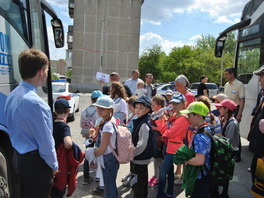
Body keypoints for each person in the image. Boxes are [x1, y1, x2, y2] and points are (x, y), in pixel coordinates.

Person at [4, 48, 58, 198]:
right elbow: (46, 143)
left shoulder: (12, 95)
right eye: (47, 69)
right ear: (41, 71)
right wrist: (54, 166)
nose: (47, 73)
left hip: (19, 159)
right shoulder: (37, 104)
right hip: (37, 164)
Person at [155, 93, 189, 198]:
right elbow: (168, 129)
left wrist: (160, 121)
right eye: (173, 103)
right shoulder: (176, 115)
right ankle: (169, 193)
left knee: (162, 173)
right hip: (170, 146)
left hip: (174, 148)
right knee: (169, 173)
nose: (174, 106)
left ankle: (160, 195)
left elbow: (169, 133)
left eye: (177, 103)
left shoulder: (183, 118)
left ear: (184, 104)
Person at [180, 102, 212, 198]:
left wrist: (185, 160)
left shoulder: (200, 136)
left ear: (198, 115)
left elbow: (199, 160)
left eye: (189, 115)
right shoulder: (207, 129)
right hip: (207, 175)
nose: (187, 118)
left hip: (200, 178)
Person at [90, 96, 120, 198]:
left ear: (110, 109)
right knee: (110, 186)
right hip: (111, 158)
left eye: (102, 108)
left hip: (108, 159)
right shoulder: (111, 120)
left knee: (109, 189)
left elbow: (102, 149)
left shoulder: (107, 125)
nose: (99, 111)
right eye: (98, 108)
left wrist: (91, 155)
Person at [214, 99, 240, 197]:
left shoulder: (233, 123)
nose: (219, 110)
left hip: (229, 151)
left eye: (221, 108)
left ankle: (224, 194)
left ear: (227, 109)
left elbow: (227, 141)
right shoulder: (225, 120)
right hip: (225, 150)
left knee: (225, 173)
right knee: (222, 172)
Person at [131, 96, 153, 198]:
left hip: (139, 159)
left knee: (138, 185)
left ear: (148, 109)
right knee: (142, 183)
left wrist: (131, 154)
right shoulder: (141, 120)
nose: (137, 110)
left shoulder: (144, 124)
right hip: (141, 159)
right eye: (136, 107)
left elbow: (142, 144)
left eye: (141, 108)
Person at [80, 90, 103, 185]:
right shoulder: (100, 111)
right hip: (97, 135)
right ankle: (99, 178)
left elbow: (81, 124)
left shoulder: (84, 110)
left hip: (88, 135)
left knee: (88, 155)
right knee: (99, 154)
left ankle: (86, 177)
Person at [50, 99, 73, 197]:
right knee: (59, 189)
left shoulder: (50, 124)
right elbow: (68, 144)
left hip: (48, 160)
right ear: (68, 111)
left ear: (55, 111)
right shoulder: (64, 127)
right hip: (59, 163)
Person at [248, 65, 264, 184]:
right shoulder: (263, 93)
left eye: (261, 77)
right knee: (256, 172)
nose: (259, 80)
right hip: (259, 145)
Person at [148, 95, 166, 188]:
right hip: (154, 139)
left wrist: (155, 128)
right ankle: (155, 175)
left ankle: (159, 177)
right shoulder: (155, 113)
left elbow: (164, 129)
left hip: (159, 140)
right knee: (155, 158)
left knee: (159, 159)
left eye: (153, 105)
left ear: (159, 105)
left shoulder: (162, 114)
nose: (151, 106)